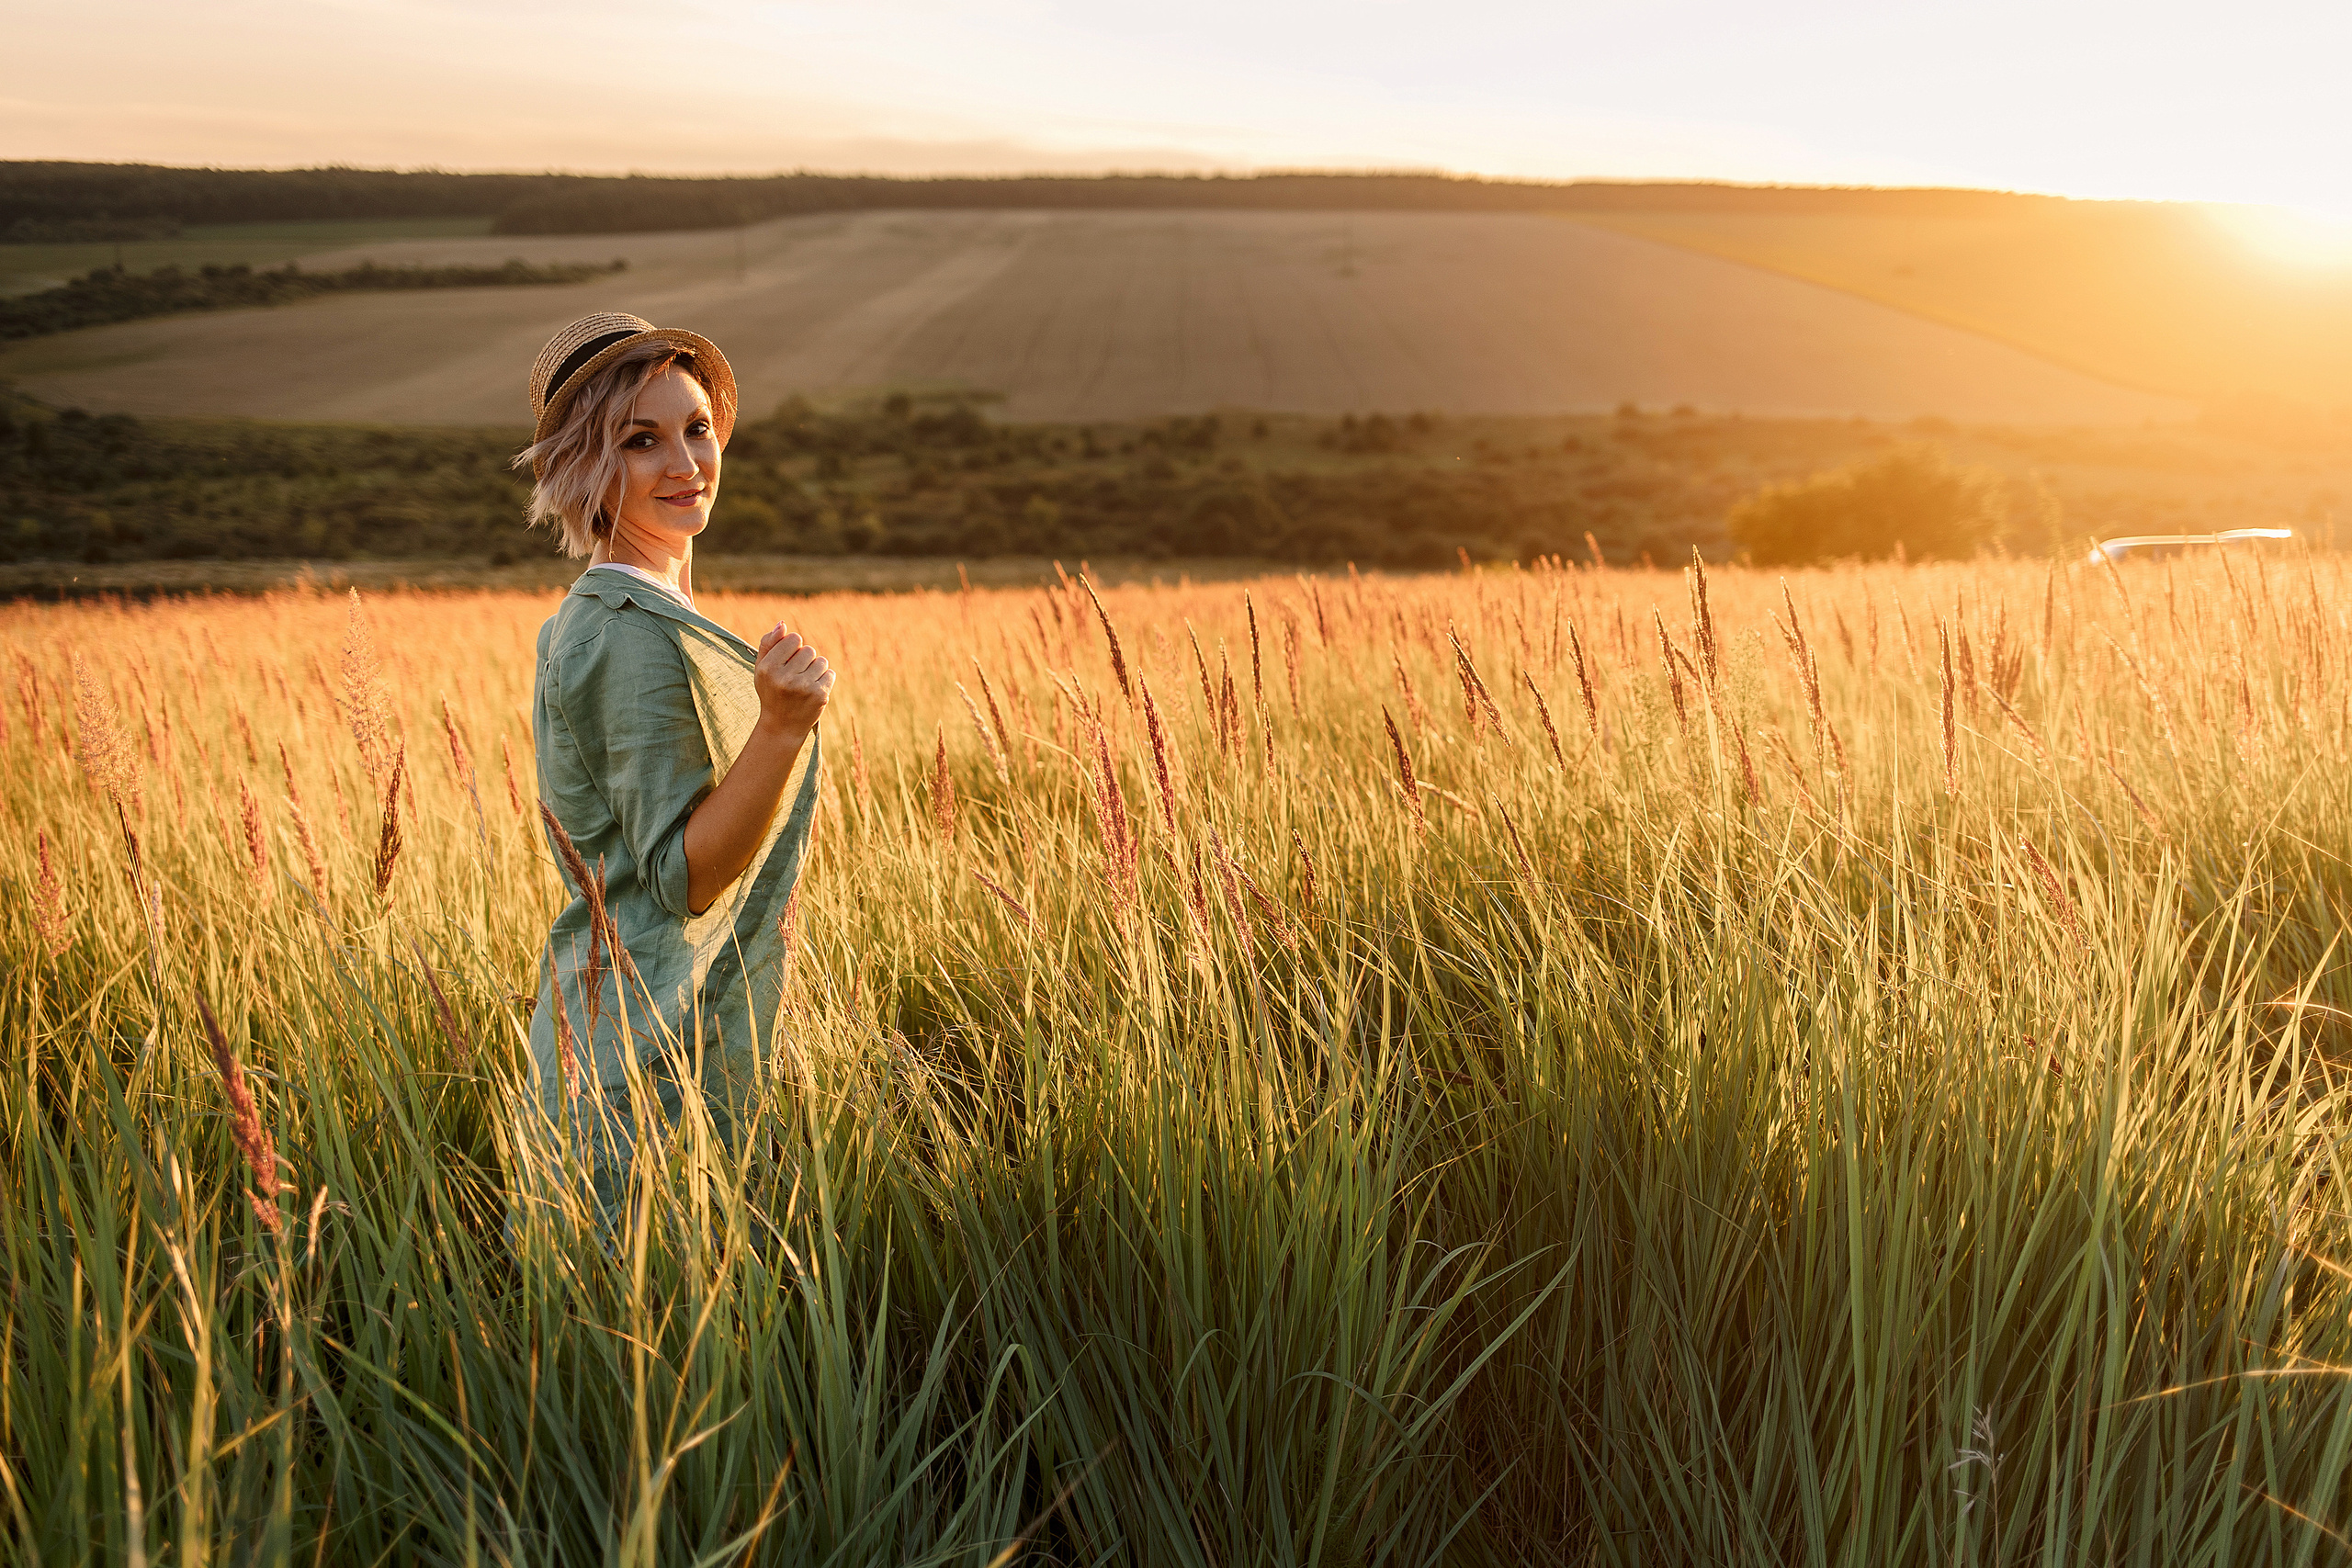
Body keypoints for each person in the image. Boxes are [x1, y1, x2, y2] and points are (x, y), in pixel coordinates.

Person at [513, 312, 835, 1221]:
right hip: (635, 1064)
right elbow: (682, 875)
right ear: (586, 467)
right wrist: (778, 729)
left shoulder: (630, 613)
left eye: (696, 427)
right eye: (640, 440)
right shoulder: (626, 636)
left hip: (639, 1034)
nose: (686, 461)